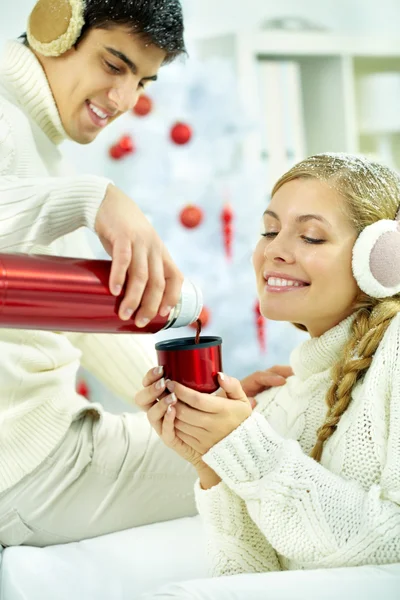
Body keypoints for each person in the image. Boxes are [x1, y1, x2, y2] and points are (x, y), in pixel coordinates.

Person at [0, 0, 290, 548]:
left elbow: (82, 321)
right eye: (114, 65)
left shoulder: (37, 142)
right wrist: (97, 197)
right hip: (25, 468)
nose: (125, 101)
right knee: (269, 459)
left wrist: (191, 401)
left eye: (142, 81)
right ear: (54, 26)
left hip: (52, 442)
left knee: (252, 438)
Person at [137, 153, 400, 598]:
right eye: (270, 230)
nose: (274, 250)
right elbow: (251, 578)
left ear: (381, 256)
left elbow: (390, 546)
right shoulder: (283, 395)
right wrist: (214, 464)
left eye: (312, 237)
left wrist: (246, 446)